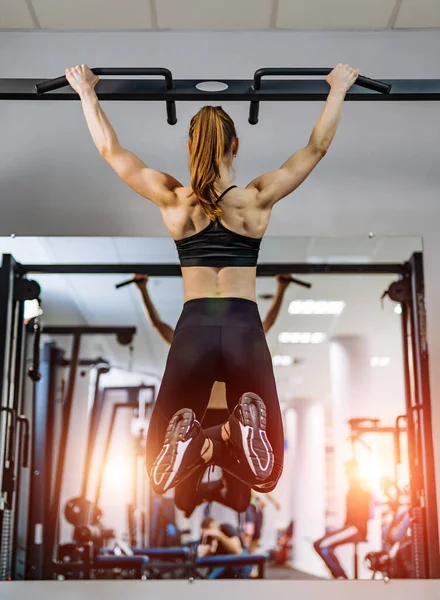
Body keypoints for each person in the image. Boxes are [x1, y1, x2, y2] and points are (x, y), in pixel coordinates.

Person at [66, 62, 359, 499]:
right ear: (236, 144)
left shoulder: (172, 200)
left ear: (188, 146)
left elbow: (112, 151)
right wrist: (337, 89)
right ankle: (229, 433)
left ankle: (202, 440)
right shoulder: (257, 198)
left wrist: (86, 93)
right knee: (268, 475)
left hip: (194, 328)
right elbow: (316, 148)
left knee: (156, 467)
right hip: (243, 325)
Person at [133, 272, 293, 516]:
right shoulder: (234, 346)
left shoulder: (195, 348)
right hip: (229, 423)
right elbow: (265, 323)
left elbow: (158, 325)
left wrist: (143, 290)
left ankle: (208, 458)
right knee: (191, 502)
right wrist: (281, 290)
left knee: (219, 502)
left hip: (206, 424)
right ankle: (214, 463)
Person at [313, 458, 373, 579]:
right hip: (350, 527)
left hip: (356, 529)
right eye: (346, 470)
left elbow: (366, 509)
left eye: (349, 470)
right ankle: (339, 576)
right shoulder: (352, 487)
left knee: (322, 545)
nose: (347, 473)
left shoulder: (360, 485)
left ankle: (341, 578)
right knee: (318, 544)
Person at [243, 489, 281, 554]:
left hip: (258, 508)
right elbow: (249, 488)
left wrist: (275, 501)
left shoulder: (262, 480)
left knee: (257, 534)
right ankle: (244, 554)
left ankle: (252, 555)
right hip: (248, 506)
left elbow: (267, 491)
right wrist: (259, 499)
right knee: (249, 532)